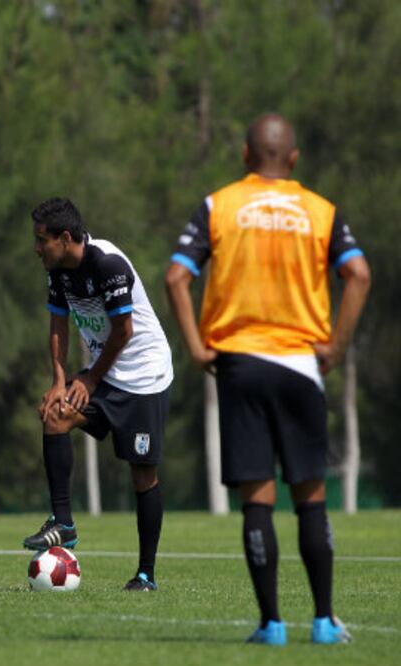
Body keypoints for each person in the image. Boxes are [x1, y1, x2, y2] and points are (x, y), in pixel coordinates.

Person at [165, 113, 370, 645]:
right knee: (310, 496)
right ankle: (325, 621)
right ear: (294, 159)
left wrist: (195, 347)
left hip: (239, 364)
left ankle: (271, 624)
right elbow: (359, 275)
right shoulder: (321, 211)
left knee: (257, 498)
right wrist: (335, 347)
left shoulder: (219, 205)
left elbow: (176, 276)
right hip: (302, 364)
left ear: (245, 154)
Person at [24, 197, 173, 591]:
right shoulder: (57, 271)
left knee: (143, 475)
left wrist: (88, 379)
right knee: (56, 414)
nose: (37, 248)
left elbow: (124, 332)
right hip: (105, 374)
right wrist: (59, 381)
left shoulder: (108, 264)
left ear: (66, 238)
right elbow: (58, 325)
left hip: (144, 375)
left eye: (42, 240)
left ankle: (146, 573)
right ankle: (64, 525)